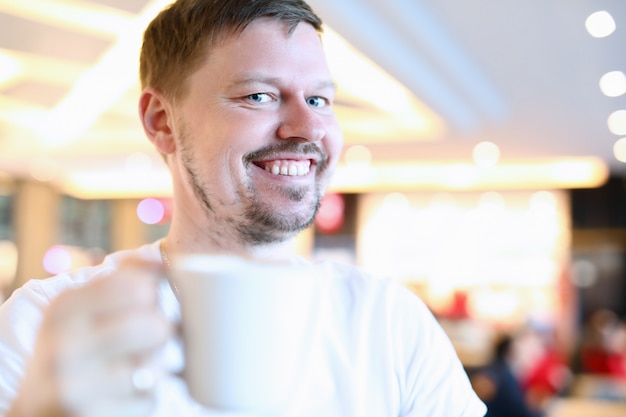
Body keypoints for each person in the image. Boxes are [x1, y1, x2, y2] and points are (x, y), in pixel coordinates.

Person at [0, 1, 486, 416]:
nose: (309, 128)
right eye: (260, 96)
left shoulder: (388, 322)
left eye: (319, 98)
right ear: (161, 120)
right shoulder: (46, 327)